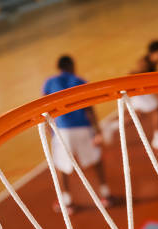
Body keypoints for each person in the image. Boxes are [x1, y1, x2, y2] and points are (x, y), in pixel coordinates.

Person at [43, 55, 113, 214]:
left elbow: (44, 108)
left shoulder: (49, 82)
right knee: (96, 160)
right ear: (71, 65)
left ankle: (67, 202)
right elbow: (89, 108)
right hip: (83, 128)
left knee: (61, 165)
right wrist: (97, 130)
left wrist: (50, 131)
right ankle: (106, 194)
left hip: (62, 131)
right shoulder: (79, 81)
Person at [103, 39, 158, 151]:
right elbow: (139, 77)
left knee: (139, 116)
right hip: (135, 91)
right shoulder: (144, 65)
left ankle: (111, 127)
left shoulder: (151, 63)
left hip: (137, 91)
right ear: (155, 53)